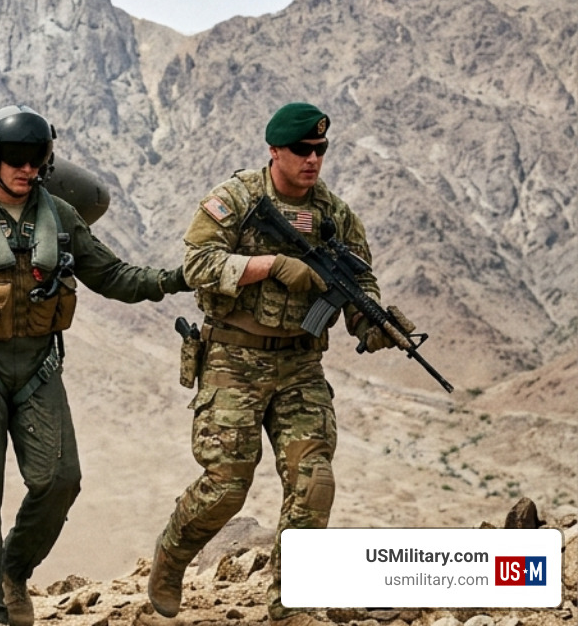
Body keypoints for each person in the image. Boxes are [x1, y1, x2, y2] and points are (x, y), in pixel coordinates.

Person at [0, 105, 188, 626]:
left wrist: (175, 279)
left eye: (38, 159)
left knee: (60, 480)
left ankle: (13, 569)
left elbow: (112, 275)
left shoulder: (62, 219)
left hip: (38, 368)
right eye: (17, 159)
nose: (27, 169)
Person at [147, 103, 408, 623]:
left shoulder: (334, 216)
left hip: (300, 366)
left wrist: (373, 323)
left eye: (321, 150)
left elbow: (359, 284)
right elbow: (197, 263)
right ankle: (172, 557)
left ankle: (289, 607)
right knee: (227, 484)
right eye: (302, 150)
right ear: (274, 151)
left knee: (314, 483)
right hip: (232, 358)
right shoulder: (237, 200)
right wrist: (270, 265)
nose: (313, 160)